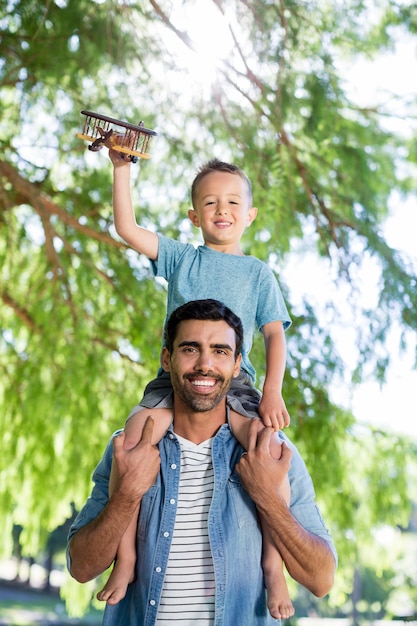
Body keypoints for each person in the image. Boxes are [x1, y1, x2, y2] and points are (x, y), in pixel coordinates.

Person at [99, 154, 294, 617]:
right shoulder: (182, 257)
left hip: (237, 383)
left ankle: (273, 564)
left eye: (232, 202)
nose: (221, 209)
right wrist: (121, 167)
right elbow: (127, 228)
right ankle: (126, 559)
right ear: (194, 215)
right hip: (178, 382)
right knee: (132, 440)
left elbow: (274, 333)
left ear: (249, 215)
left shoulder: (257, 273)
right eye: (210, 202)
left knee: (268, 447)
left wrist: (272, 391)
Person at [67, 299, 337, 626]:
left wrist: (266, 495)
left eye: (220, 351)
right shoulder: (130, 447)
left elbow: (321, 580)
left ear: (237, 365)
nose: (205, 364)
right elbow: (82, 568)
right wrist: (128, 494)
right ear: (167, 358)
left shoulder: (269, 452)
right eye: (190, 349)